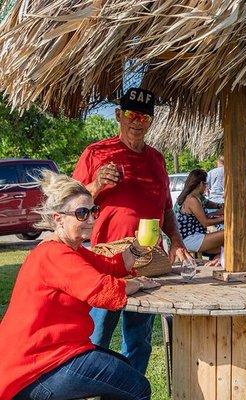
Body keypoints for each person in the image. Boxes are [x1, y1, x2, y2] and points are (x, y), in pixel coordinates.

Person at [0, 171, 158, 400]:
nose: (92, 220)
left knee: (126, 370)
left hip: (52, 354)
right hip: (35, 368)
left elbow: (110, 266)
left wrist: (137, 248)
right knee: (136, 387)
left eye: (93, 211)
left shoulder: (73, 251)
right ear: (58, 219)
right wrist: (137, 282)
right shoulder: (53, 254)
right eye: (82, 213)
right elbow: (103, 290)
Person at [72, 87, 191, 374]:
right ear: (118, 115)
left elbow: (166, 209)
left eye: (144, 117)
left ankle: (132, 390)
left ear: (150, 121)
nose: (137, 121)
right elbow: (70, 204)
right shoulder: (97, 153)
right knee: (97, 334)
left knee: (139, 340)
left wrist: (175, 240)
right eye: (130, 114)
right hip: (106, 259)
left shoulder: (157, 159)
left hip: (146, 261)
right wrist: (97, 185)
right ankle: (90, 388)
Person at [175, 169, 224, 254]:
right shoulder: (192, 199)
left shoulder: (193, 197)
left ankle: (216, 261)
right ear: (201, 184)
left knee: (226, 248)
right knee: (231, 232)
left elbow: (205, 213)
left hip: (193, 237)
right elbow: (205, 222)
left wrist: (219, 211)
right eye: (206, 184)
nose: (206, 187)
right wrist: (226, 218)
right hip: (190, 240)